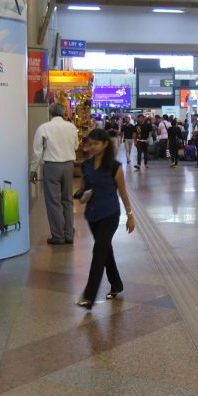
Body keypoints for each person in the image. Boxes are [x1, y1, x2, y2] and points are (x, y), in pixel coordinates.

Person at [75, 129, 135, 310]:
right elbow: (82, 190)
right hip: (93, 215)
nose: (91, 147)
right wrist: (82, 196)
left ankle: (89, 296)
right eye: (89, 144)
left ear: (105, 144)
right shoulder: (86, 165)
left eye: (95, 144)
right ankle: (116, 284)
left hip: (110, 214)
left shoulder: (114, 167)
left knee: (99, 251)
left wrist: (130, 216)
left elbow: (123, 193)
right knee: (105, 251)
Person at [30, 103, 80, 245]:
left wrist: (33, 170)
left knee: (53, 201)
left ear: (50, 113)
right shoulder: (71, 127)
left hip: (52, 166)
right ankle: (69, 234)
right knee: (67, 200)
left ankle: (58, 236)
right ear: (64, 113)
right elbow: (76, 146)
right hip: (68, 165)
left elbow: (37, 152)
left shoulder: (44, 128)